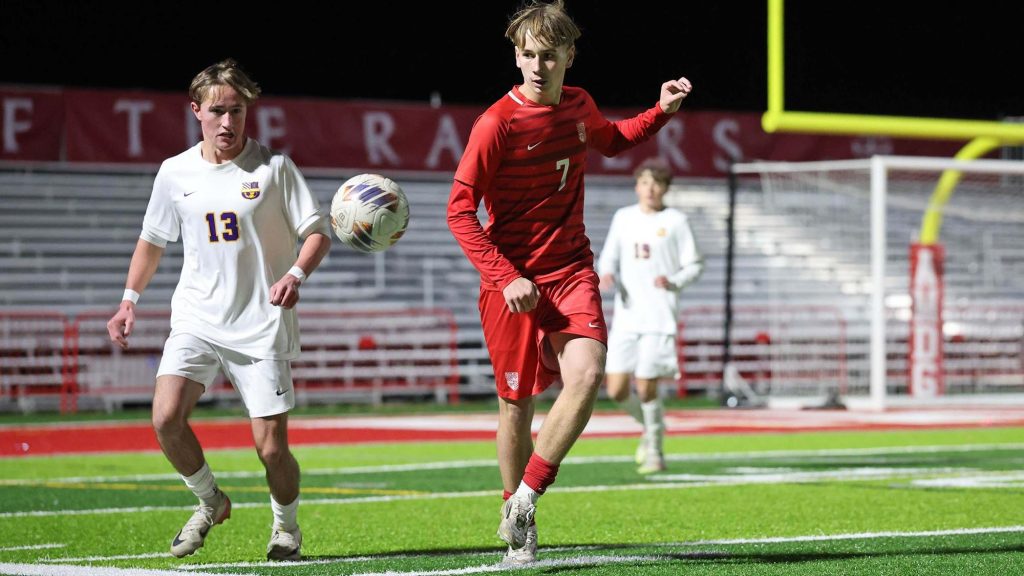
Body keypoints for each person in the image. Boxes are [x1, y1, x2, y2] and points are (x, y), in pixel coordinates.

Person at [447, 0, 692, 565]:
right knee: (516, 405)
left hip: (571, 269)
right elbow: (459, 211)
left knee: (586, 376)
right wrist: (505, 276)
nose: (537, 66)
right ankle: (513, 504)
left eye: (548, 55)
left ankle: (526, 499)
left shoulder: (579, 105)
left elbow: (613, 139)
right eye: (527, 55)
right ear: (516, 55)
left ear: (569, 57)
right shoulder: (495, 124)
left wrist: (660, 109)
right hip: (511, 282)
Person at [105, 59, 331, 561]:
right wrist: (129, 300)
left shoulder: (275, 169)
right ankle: (211, 502)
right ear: (196, 112)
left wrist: (295, 274)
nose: (228, 122)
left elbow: (318, 233)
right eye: (218, 112)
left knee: (271, 449)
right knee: (165, 418)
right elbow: (152, 241)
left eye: (238, 111)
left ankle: (286, 528)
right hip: (197, 318)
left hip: (260, 322)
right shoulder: (174, 172)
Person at [598, 157, 704, 474]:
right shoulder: (623, 217)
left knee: (645, 385)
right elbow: (608, 257)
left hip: (659, 315)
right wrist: (606, 274)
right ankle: (651, 425)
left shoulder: (675, 221)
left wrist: (675, 280)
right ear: (637, 186)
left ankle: (655, 450)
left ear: (666, 189)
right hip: (628, 316)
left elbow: (694, 264)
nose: (650, 188)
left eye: (656, 182)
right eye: (644, 181)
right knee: (616, 389)